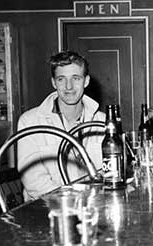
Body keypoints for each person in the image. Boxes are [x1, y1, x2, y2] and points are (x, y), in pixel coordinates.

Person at [17, 51, 105, 200]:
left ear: (86, 81)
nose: (68, 87)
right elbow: (33, 180)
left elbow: (111, 172)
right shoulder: (30, 121)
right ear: (53, 82)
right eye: (61, 79)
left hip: (94, 207)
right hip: (47, 209)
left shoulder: (102, 122)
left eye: (75, 78)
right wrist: (70, 203)